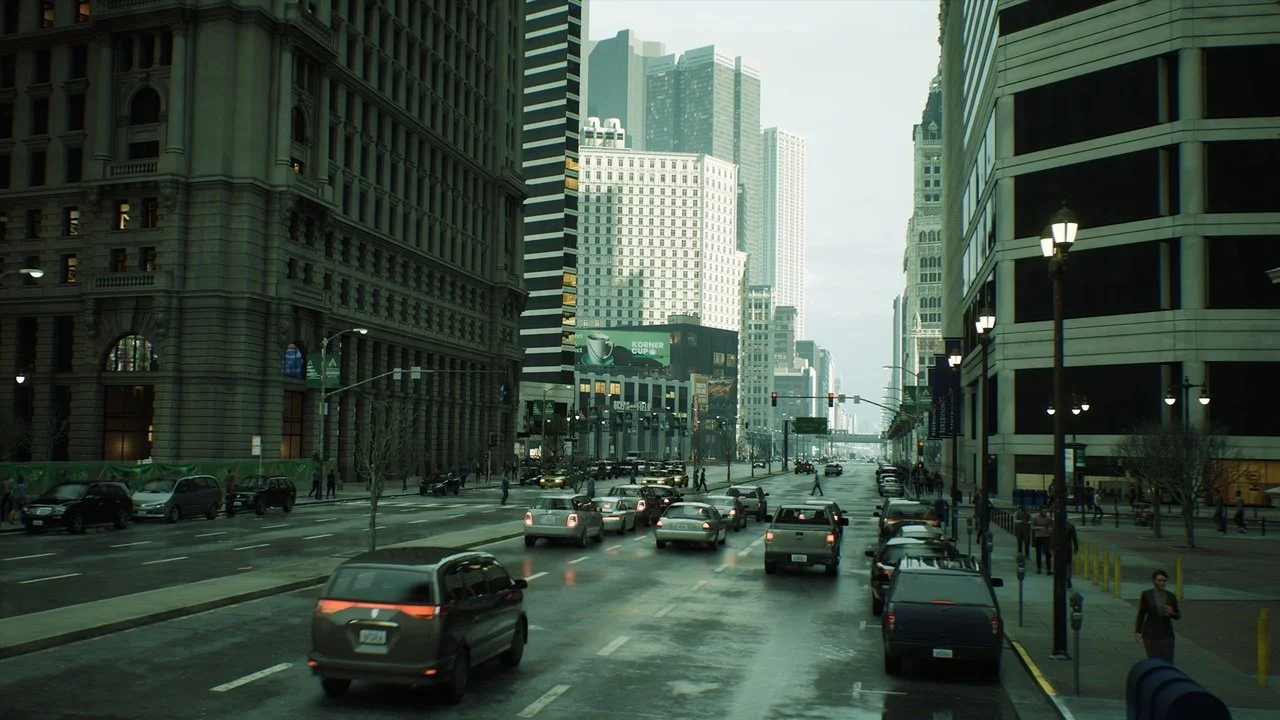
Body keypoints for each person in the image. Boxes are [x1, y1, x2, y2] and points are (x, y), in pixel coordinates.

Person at [1134, 569, 1181, 663]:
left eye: (1164, 580)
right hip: (1151, 633)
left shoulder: (1171, 596)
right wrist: (1137, 631)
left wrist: (1172, 613)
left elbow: (1178, 615)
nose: (1162, 583)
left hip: (1166, 633)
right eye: (1159, 580)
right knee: (1154, 660)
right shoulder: (1147, 595)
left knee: (1168, 661)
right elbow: (1141, 613)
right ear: (1154, 581)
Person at [1031, 507, 1053, 574]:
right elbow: (1032, 527)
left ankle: (1048, 569)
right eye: (1043, 512)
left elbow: (1052, 526)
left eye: (1045, 512)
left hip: (1046, 536)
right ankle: (1039, 568)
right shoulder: (1035, 518)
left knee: (1048, 553)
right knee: (1038, 553)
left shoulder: (1048, 518)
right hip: (1038, 536)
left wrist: (1050, 530)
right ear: (1040, 512)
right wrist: (1039, 528)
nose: (1044, 513)